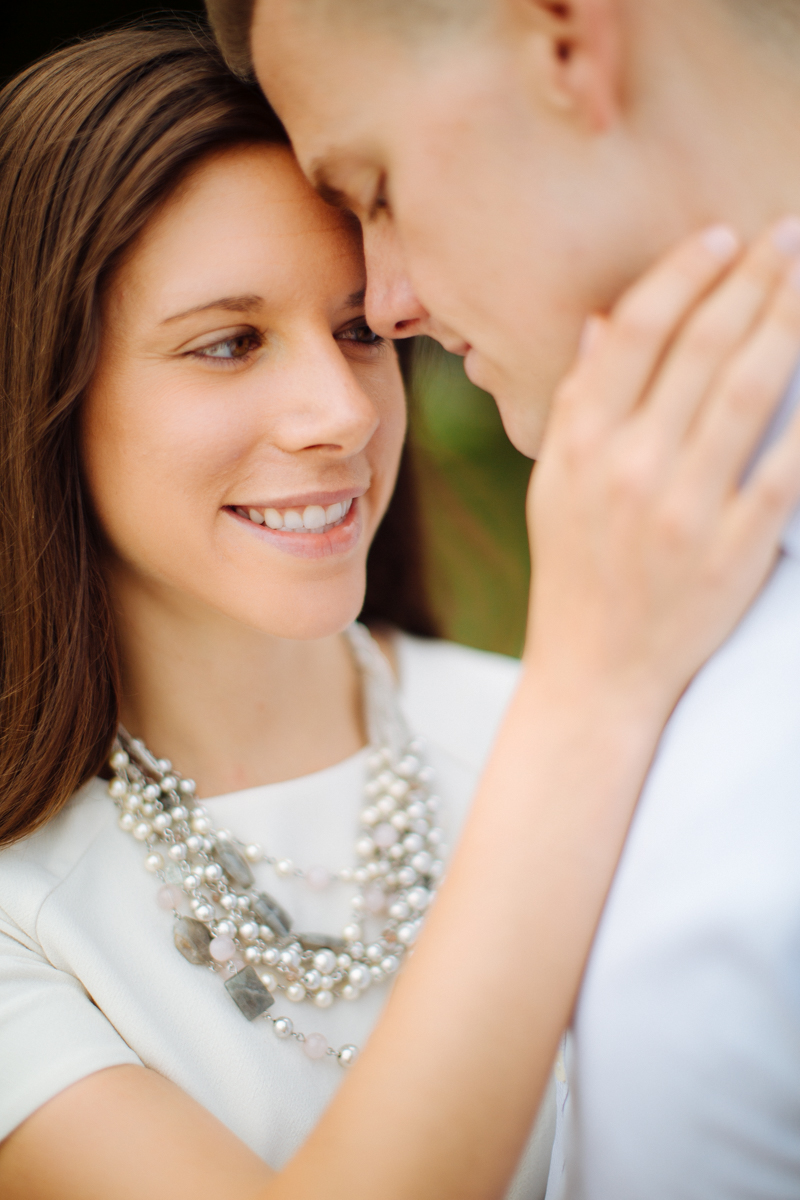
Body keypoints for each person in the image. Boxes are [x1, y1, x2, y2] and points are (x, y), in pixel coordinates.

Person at [2, 18, 800, 1200]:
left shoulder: (592, 723)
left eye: (358, 333)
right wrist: (585, 681)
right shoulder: (26, 923)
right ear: (42, 396)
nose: (341, 410)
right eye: (227, 344)